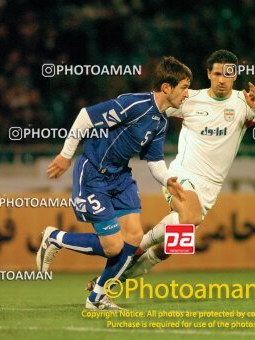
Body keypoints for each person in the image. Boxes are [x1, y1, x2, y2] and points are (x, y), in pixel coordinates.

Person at [107, 49, 255, 282]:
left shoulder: (244, 102)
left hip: (211, 188)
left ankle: (116, 279)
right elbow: (154, 106)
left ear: (235, 75)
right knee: (190, 218)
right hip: (182, 175)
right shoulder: (190, 99)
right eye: (217, 73)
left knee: (171, 248)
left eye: (227, 74)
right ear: (208, 73)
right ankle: (135, 246)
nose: (221, 79)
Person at [36, 56, 191, 310]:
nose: (187, 94)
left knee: (134, 236)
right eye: (184, 87)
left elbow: (154, 161)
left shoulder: (161, 122)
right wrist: (66, 155)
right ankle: (55, 237)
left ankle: (97, 298)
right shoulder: (134, 104)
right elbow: (86, 116)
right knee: (113, 246)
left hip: (120, 178)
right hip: (94, 173)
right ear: (166, 87)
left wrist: (167, 179)